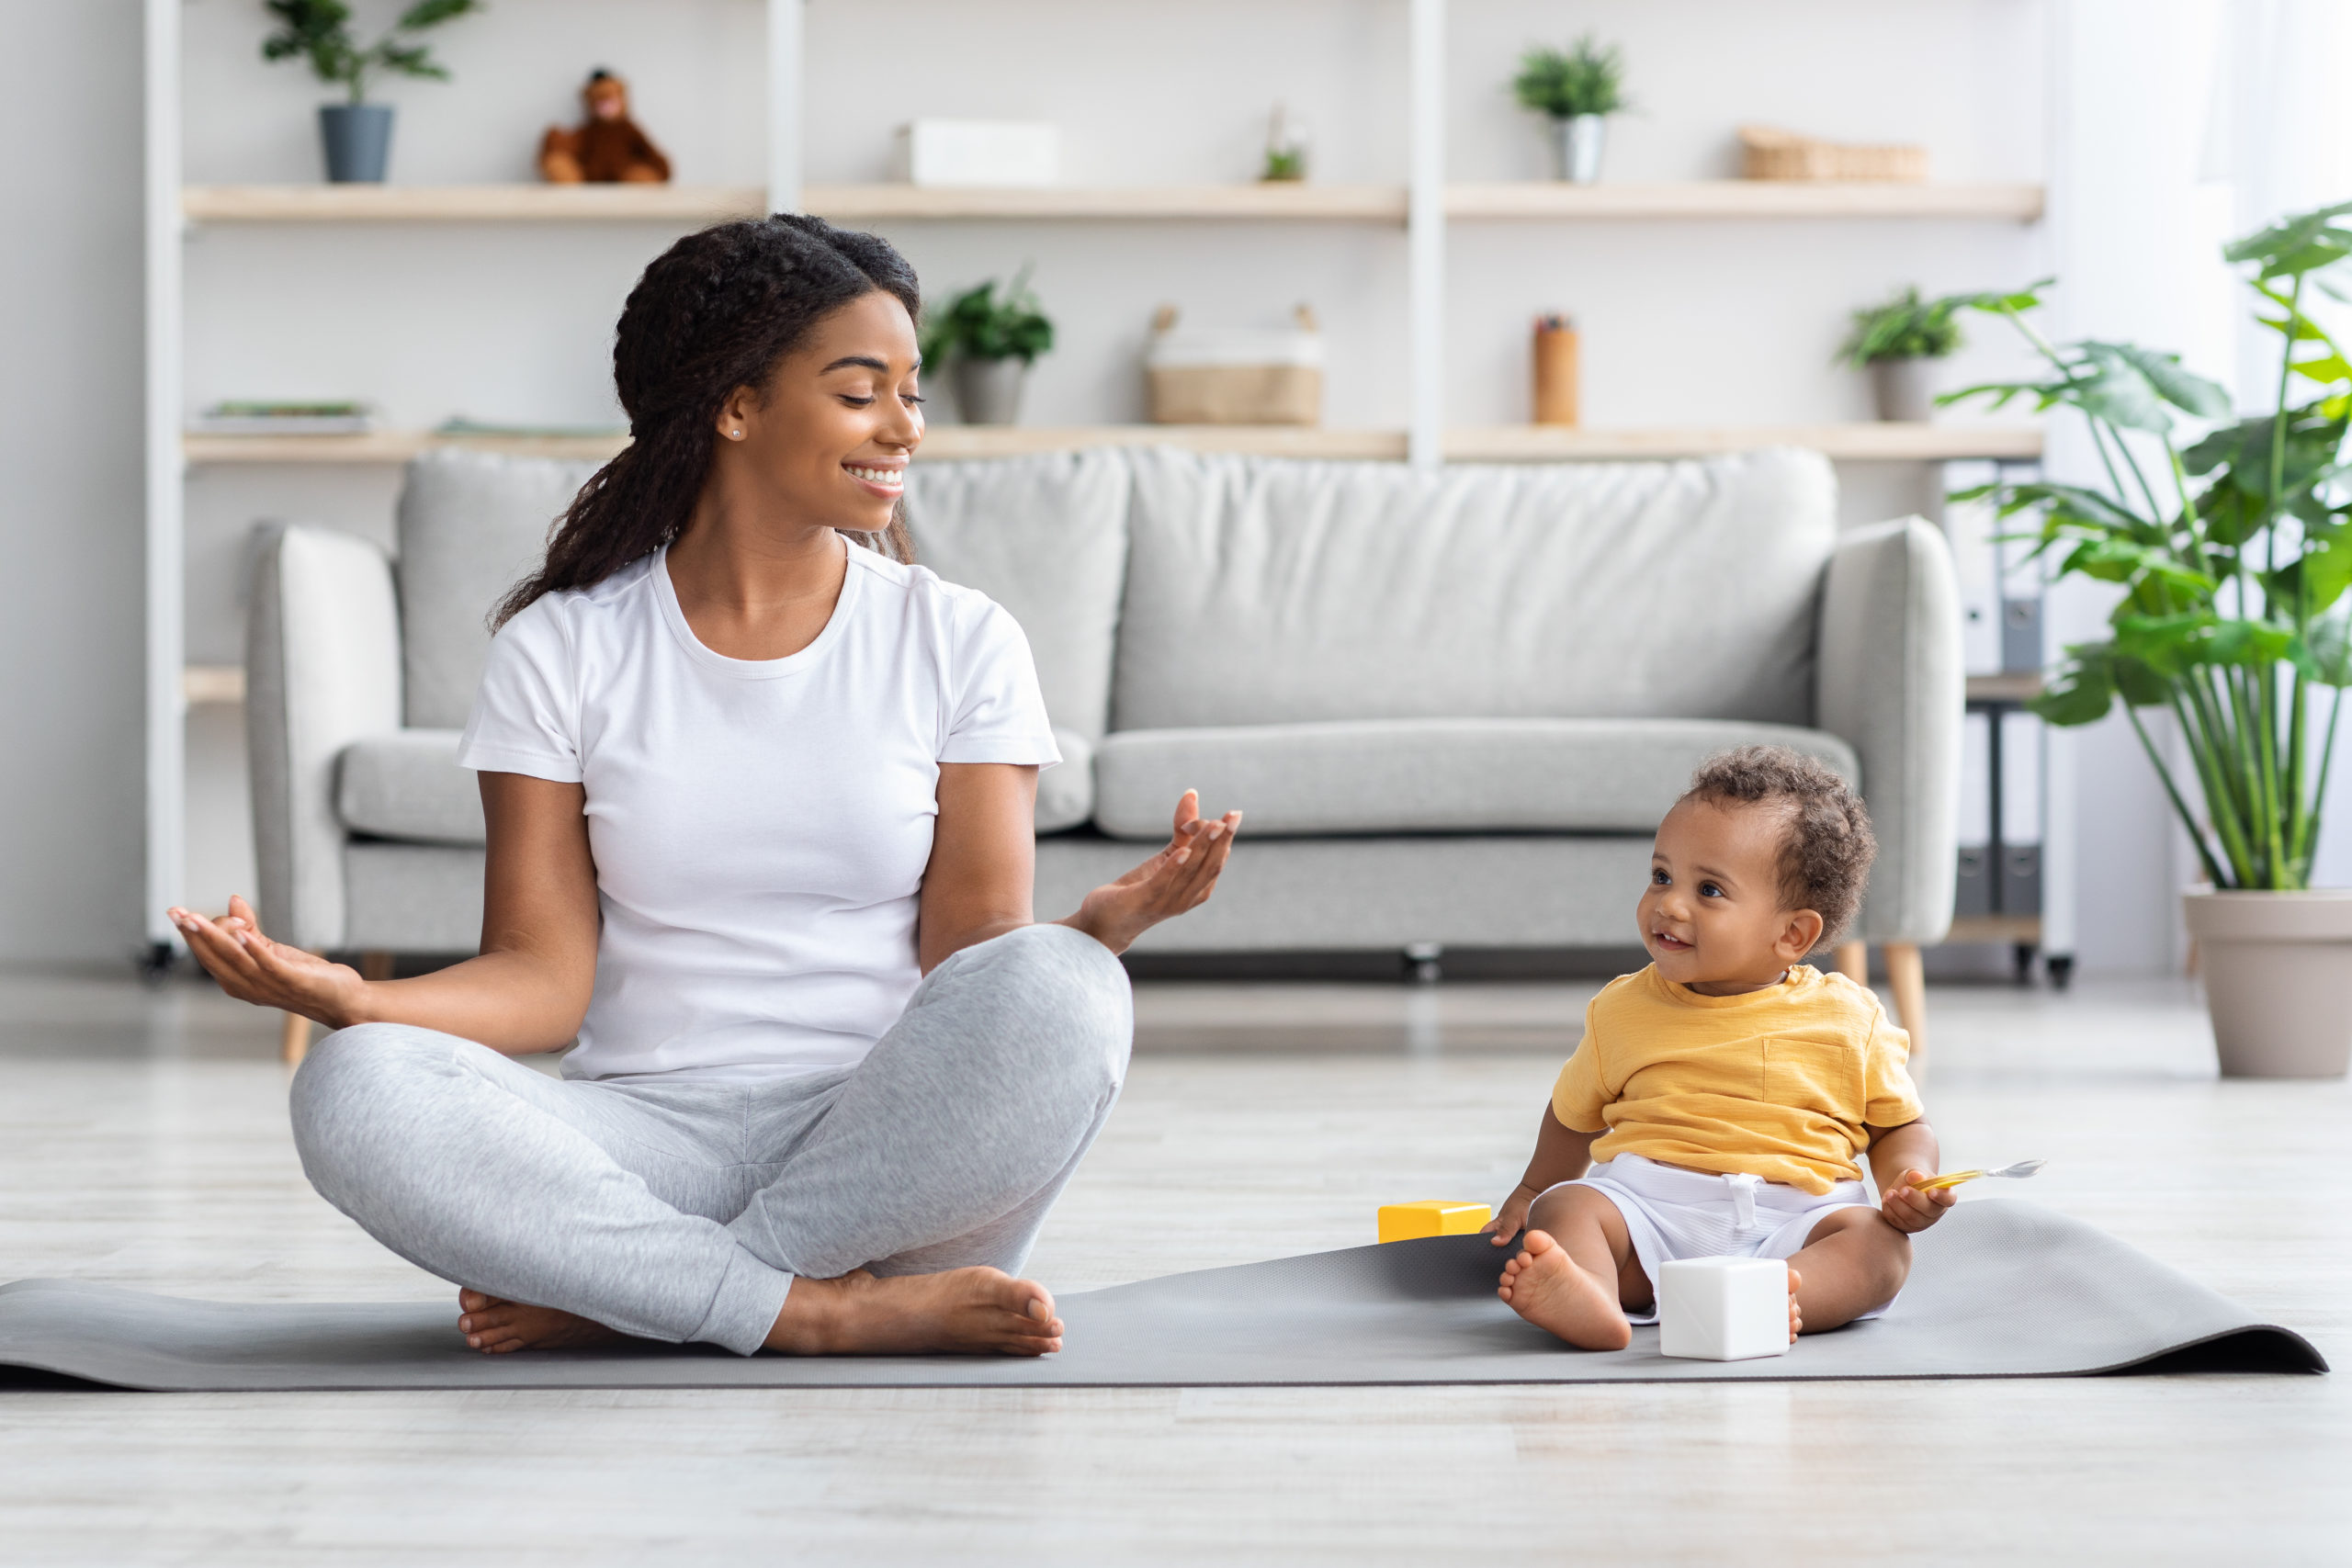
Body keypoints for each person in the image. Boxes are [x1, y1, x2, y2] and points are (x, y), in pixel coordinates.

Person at [167, 215, 1242, 1360]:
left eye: (911, 393)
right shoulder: (563, 649)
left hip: (886, 1147)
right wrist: (354, 999)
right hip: (639, 1137)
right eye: (860, 390)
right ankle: (812, 1310)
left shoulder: (960, 639)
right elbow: (541, 981)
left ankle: (643, 1289)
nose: (904, 428)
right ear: (737, 407)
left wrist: (1092, 931)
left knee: (1067, 987)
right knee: (354, 1087)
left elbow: (972, 957)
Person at [1484, 745, 1951, 1349]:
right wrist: (1531, 1190)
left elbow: (1901, 1126)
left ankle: (1780, 1295)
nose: (1669, 904)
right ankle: (1592, 1296)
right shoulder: (1622, 1009)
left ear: (1792, 933)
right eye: (1661, 875)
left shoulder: (1847, 1016)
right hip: (1652, 1210)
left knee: (1880, 1246)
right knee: (1566, 1209)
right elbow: (1572, 1115)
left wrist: (1908, 1179)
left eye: (1709, 889)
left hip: (1796, 1222)